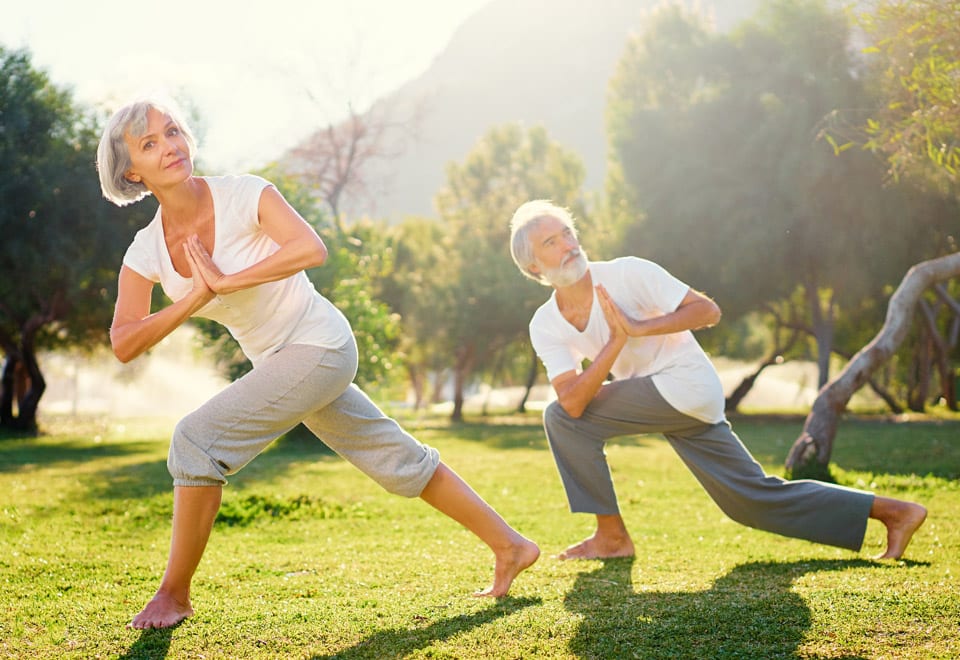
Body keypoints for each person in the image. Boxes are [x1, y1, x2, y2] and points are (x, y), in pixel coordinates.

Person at [97, 97, 539, 630]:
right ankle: (510, 546)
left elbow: (310, 248)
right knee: (393, 455)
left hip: (321, 345)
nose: (169, 146)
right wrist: (193, 297)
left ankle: (174, 594)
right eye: (150, 144)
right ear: (130, 172)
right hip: (279, 365)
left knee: (195, 441)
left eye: (172, 131)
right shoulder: (145, 251)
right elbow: (124, 342)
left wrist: (228, 281)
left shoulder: (245, 194)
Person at [508, 199, 927, 562]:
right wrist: (616, 342)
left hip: (685, 384)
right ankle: (894, 512)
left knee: (559, 420)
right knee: (749, 503)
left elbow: (706, 311)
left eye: (567, 233)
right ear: (533, 267)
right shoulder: (545, 323)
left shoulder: (628, 273)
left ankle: (612, 537)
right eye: (551, 243)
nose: (568, 245)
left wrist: (635, 328)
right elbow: (574, 401)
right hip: (664, 399)